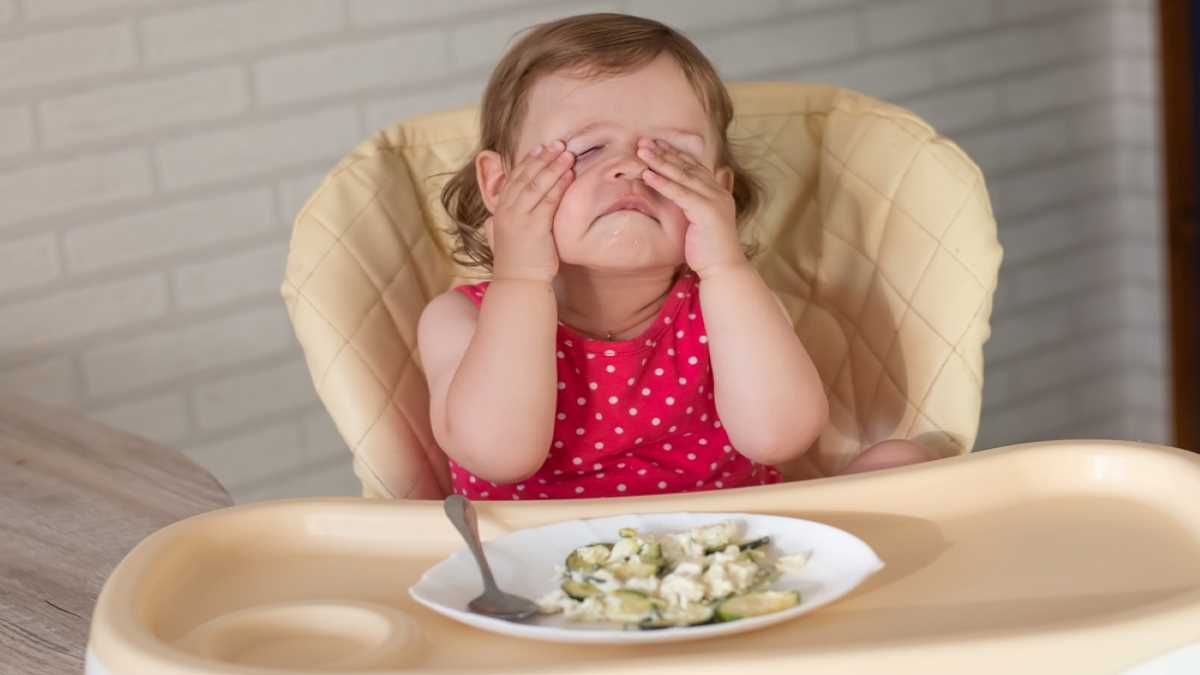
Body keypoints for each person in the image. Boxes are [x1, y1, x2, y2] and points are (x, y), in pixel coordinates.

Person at [417, 13, 936, 501]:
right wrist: (521, 277)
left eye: (673, 156)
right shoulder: (461, 319)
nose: (632, 170)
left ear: (718, 193)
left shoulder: (726, 307)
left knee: (903, 460)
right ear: (502, 185)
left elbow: (779, 439)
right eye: (586, 151)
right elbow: (498, 456)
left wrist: (725, 266)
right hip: (534, 568)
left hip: (721, 553)